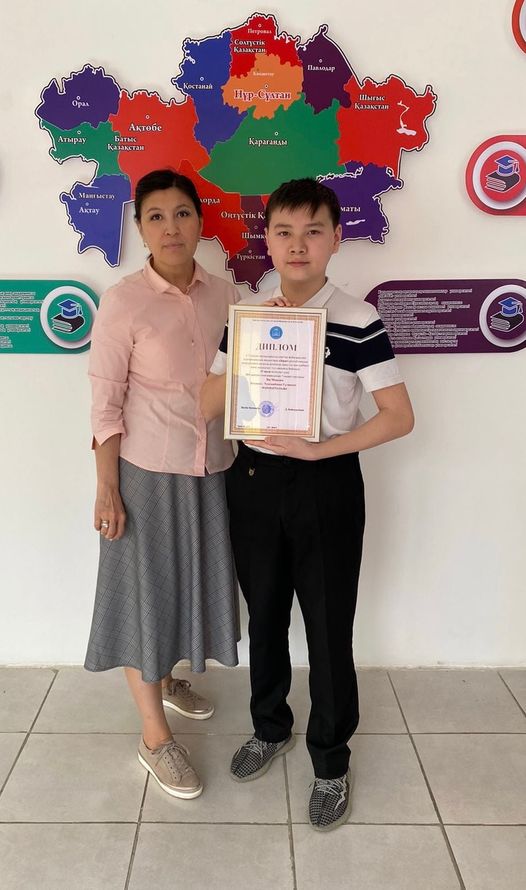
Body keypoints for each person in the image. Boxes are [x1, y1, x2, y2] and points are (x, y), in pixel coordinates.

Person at [201, 177, 414, 830]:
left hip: (327, 483)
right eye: (285, 232)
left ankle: (330, 759)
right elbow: (206, 403)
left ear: (336, 239)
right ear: (267, 240)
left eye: (313, 231)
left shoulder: (357, 319)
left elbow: (399, 415)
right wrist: (254, 348)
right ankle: (270, 727)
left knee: (327, 625)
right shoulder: (248, 315)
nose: (298, 245)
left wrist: (323, 450)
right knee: (264, 617)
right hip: (255, 481)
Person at [85, 168, 240, 800]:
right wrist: (107, 487)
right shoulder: (123, 301)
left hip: (213, 470)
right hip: (145, 473)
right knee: (144, 597)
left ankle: (168, 680)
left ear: (200, 220)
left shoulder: (226, 295)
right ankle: (154, 738)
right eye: (156, 216)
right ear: (140, 227)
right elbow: (105, 404)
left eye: (182, 213)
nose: (171, 227)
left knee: (186, 586)